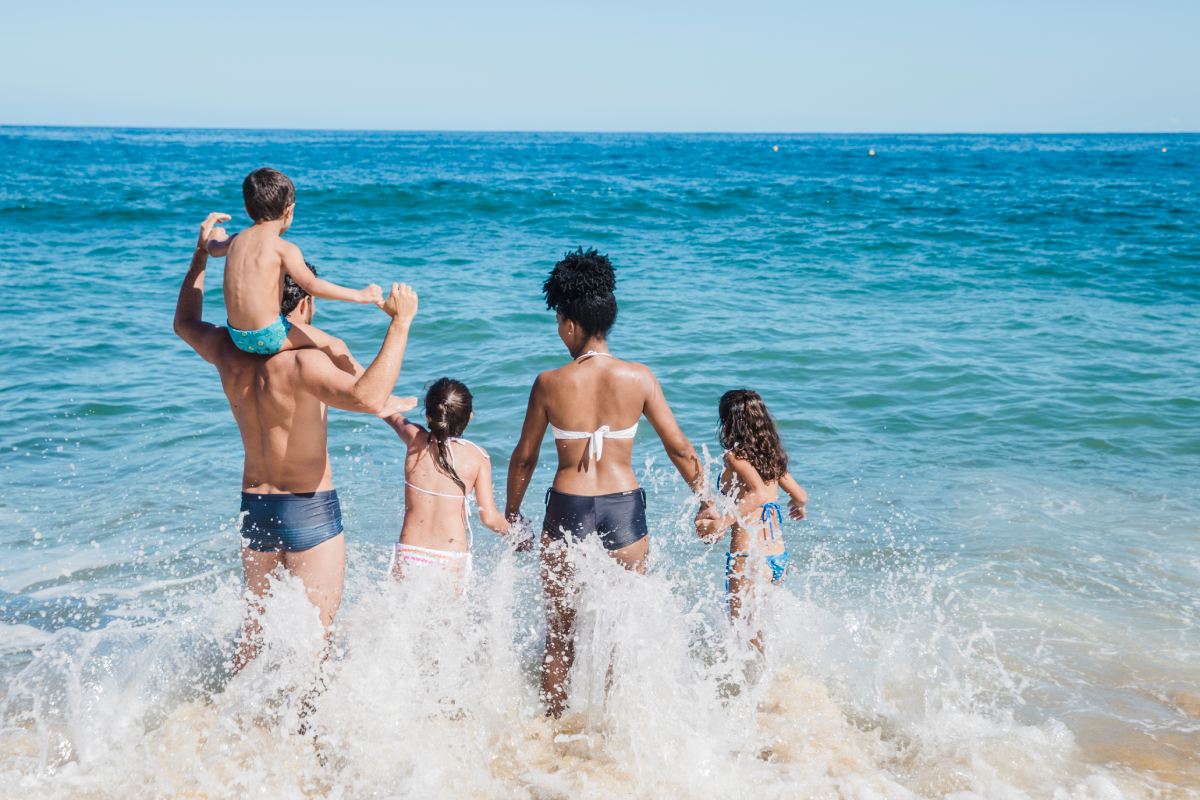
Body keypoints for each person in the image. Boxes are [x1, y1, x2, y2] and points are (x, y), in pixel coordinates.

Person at [174, 212, 419, 670]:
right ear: (302, 305)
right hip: (309, 507)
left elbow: (186, 322)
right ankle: (304, 738)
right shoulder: (306, 364)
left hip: (255, 505)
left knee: (254, 637)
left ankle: (233, 730)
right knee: (315, 646)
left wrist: (199, 255)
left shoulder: (227, 351)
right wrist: (401, 323)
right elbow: (367, 397)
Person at [506, 247, 707, 717]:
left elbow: (525, 457)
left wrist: (513, 512)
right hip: (623, 507)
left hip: (567, 507)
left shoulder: (549, 382)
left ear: (571, 324)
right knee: (622, 628)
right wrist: (706, 500)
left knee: (561, 630)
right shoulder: (638, 377)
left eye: (559, 321)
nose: (559, 332)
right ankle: (615, 731)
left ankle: (553, 729)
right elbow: (680, 447)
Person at [205, 168, 383, 355]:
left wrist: (215, 235)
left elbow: (214, 249)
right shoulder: (284, 249)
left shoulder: (236, 240)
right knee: (335, 345)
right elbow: (312, 285)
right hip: (269, 336)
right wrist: (359, 295)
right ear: (289, 210)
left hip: (237, 337)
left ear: (247, 209)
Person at [695, 389, 808, 653]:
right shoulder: (772, 456)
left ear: (728, 421)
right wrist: (798, 507)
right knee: (759, 630)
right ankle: (773, 680)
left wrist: (724, 521)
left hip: (749, 557)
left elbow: (756, 493)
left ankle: (763, 688)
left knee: (744, 632)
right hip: (777, 557)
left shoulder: (734, 457)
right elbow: (801, 496)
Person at [381, 378, 512, 587]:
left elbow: (386, 412)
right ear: (469, 416)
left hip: (409, 552)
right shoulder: (477, 457)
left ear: (428, 416)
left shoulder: (415, 439)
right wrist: (515, 534)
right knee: (448, 620)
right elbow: (489, 518)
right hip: (451, 558)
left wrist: (374, 395)